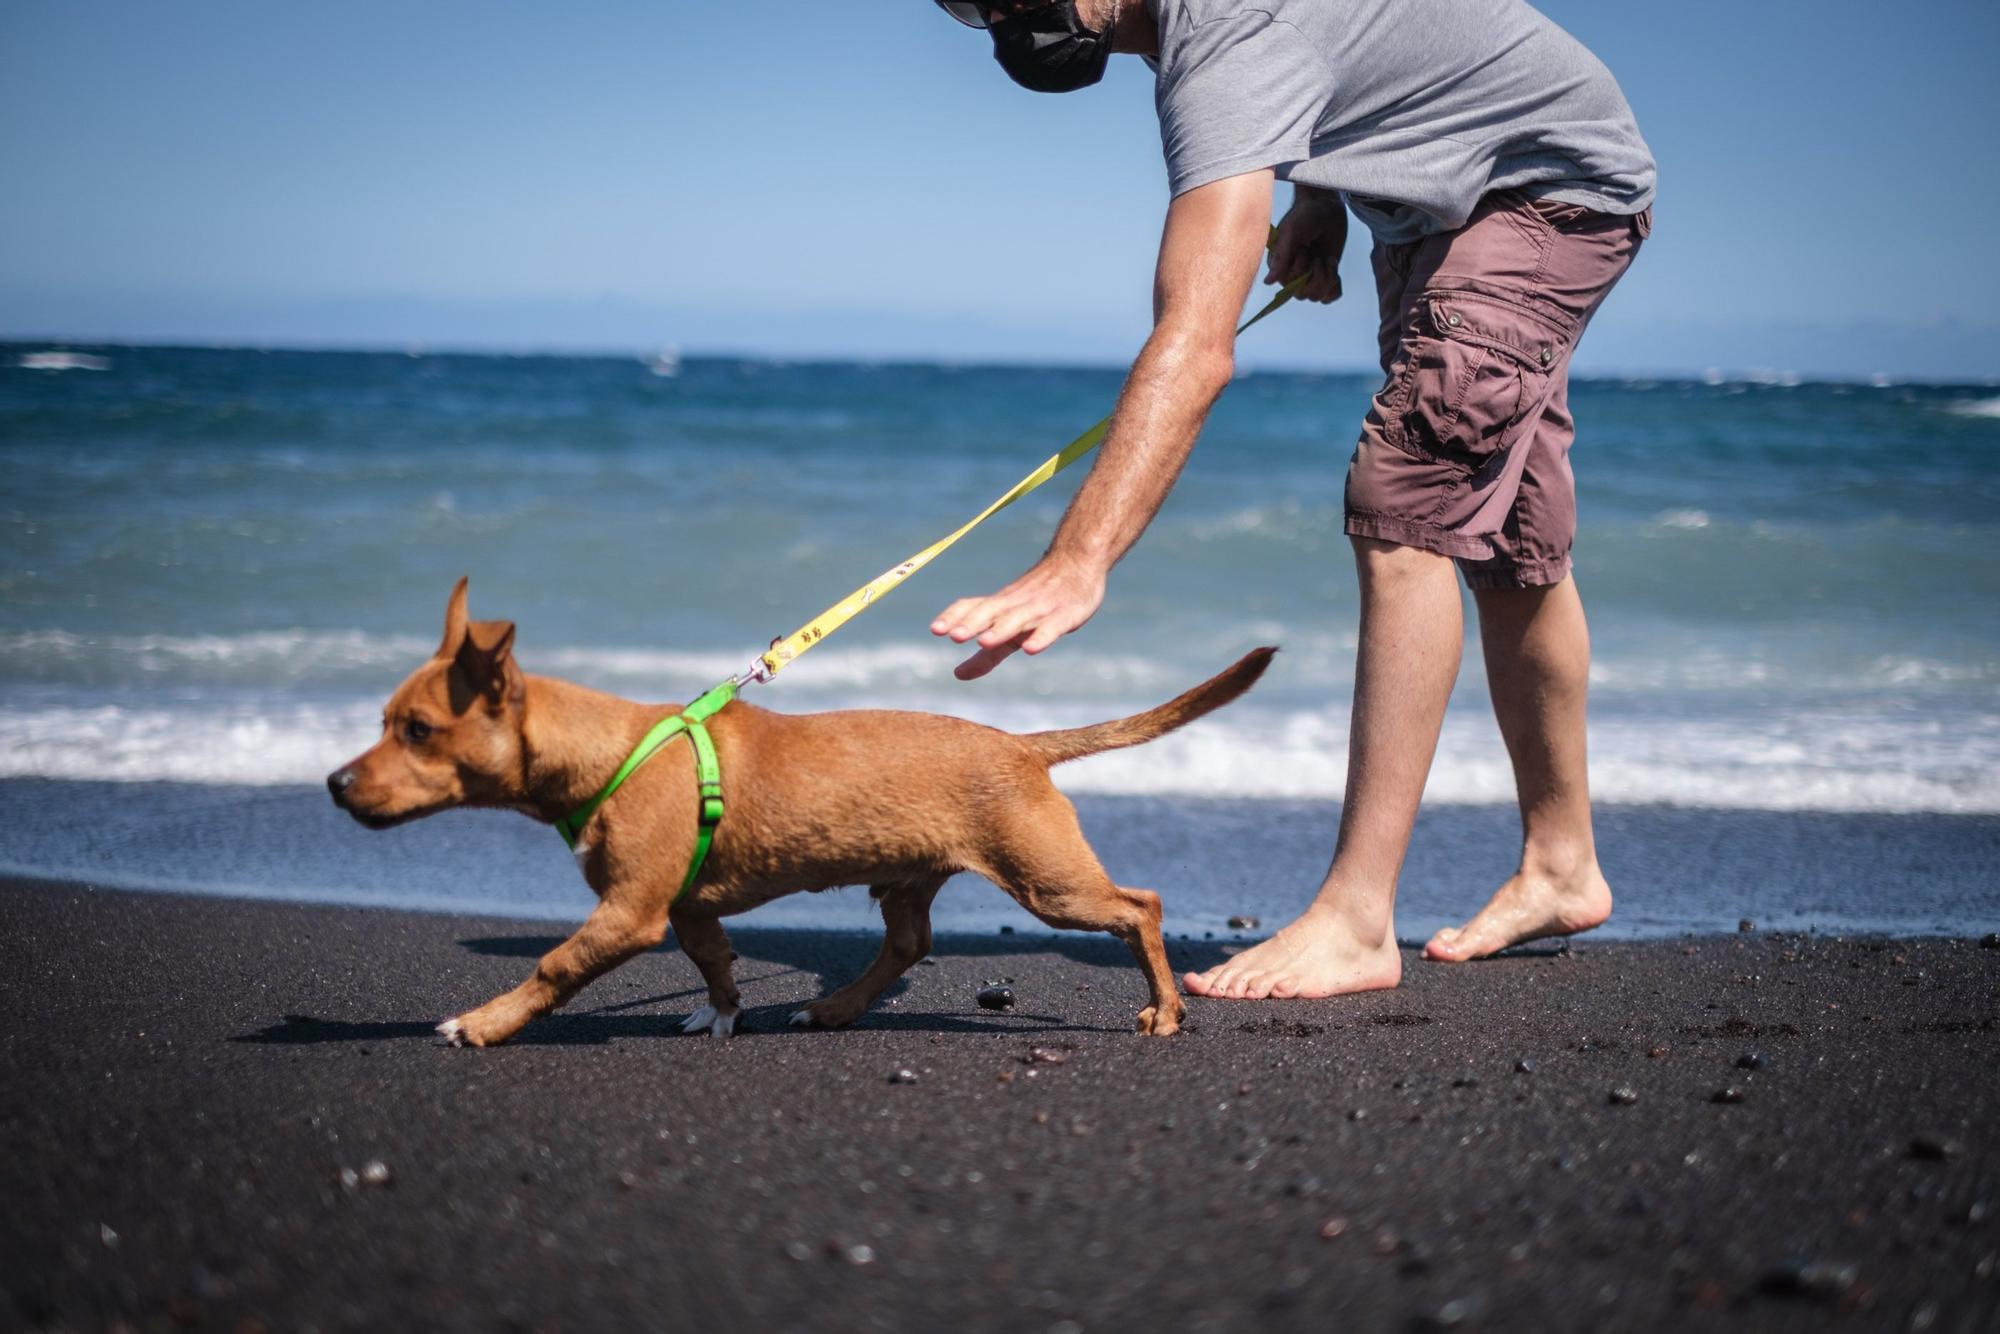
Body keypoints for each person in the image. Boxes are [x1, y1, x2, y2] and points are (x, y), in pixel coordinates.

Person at [927, 0, 1656, 1000]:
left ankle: (1357, 920)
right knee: (1506, 537)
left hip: (1540, 192)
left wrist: (1077, 559)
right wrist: (1316, 202)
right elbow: (1341, 46)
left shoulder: (1220, 37)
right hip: (1439, 201)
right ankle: (1561, 865)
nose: (999, 21)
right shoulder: (1203, 32)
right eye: (973, 13)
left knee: (1403, 502)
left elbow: (1193, 343)